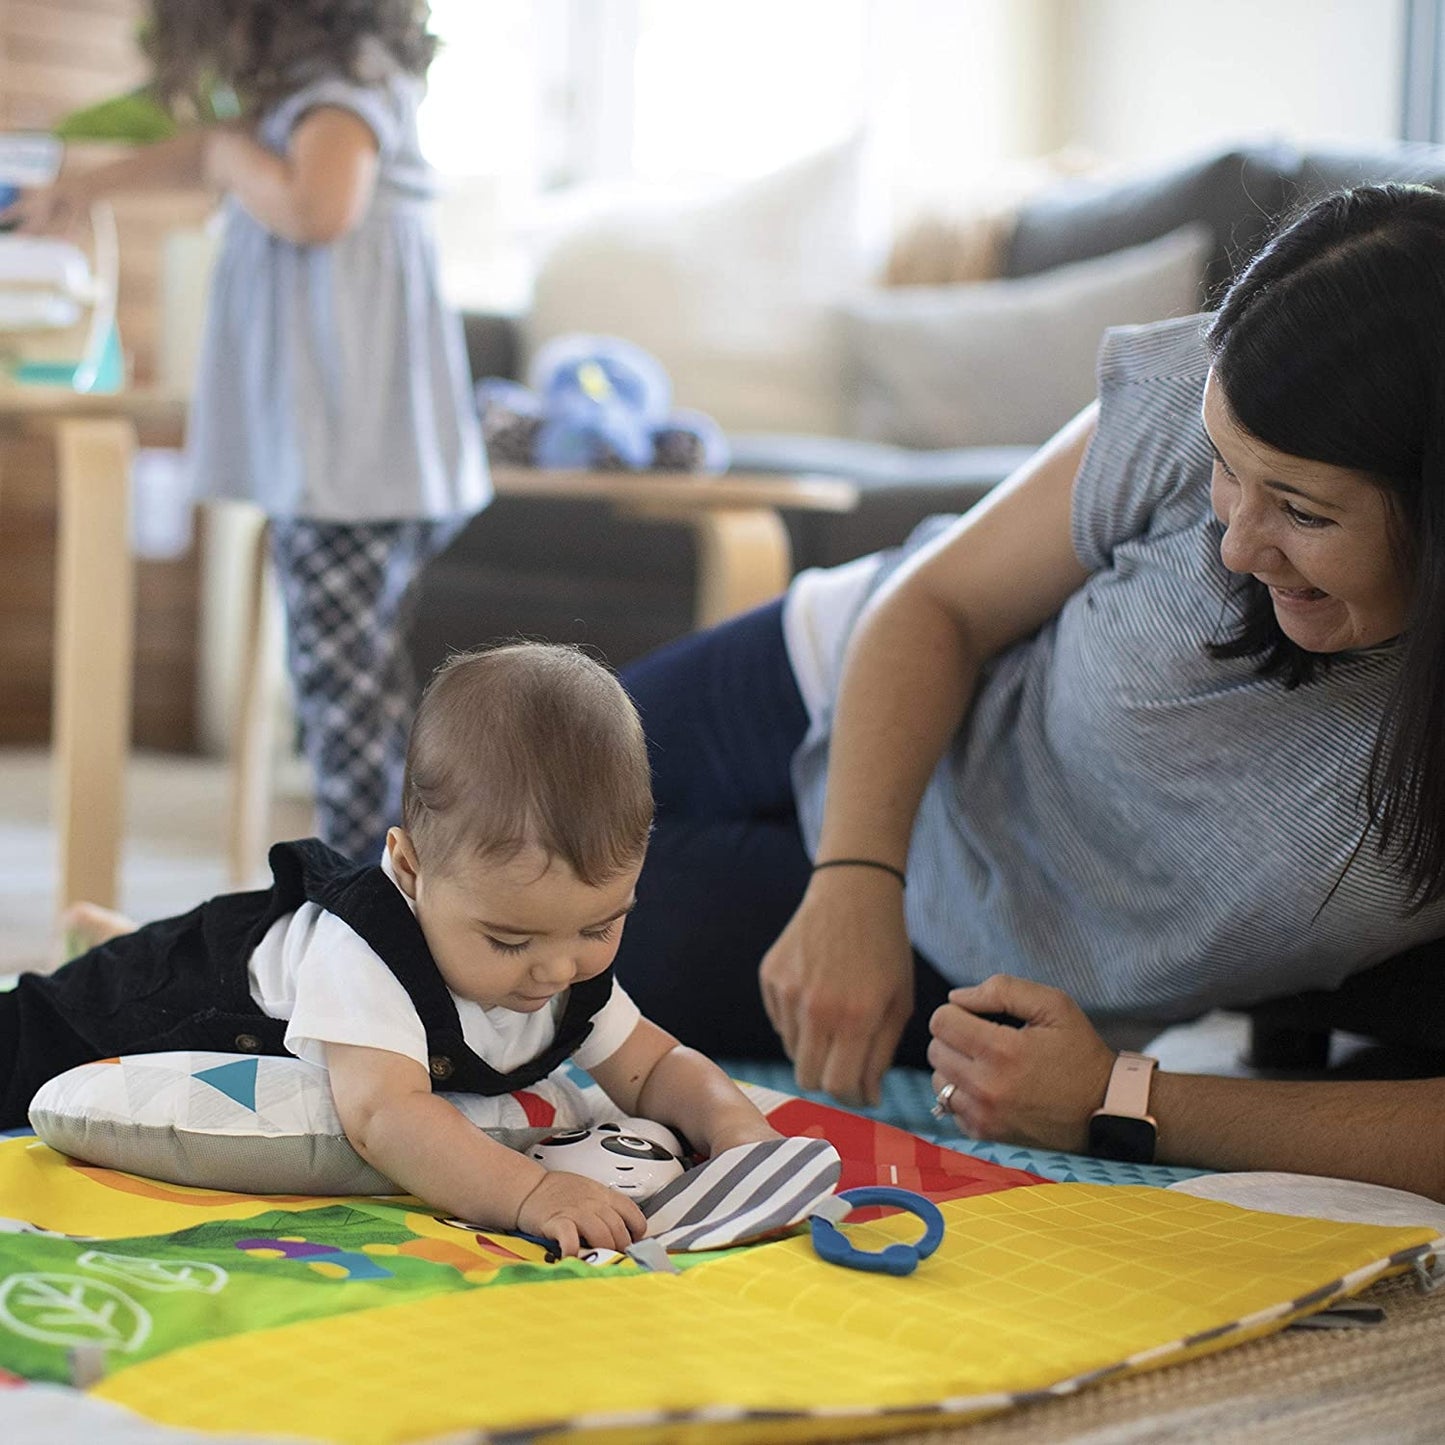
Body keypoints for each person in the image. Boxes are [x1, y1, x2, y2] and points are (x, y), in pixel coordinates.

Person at [612, 183, 1445, 1202]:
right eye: (1227, 471)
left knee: (520, 958)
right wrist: (855, 874)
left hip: (980, 955)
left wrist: (1124, 1095)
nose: (1232, 540)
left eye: (1301, 511)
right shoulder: (1216, 384)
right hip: (849, 686)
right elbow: (940, 607)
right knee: (473, 833)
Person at [1, 645, 781, 1256]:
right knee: (28, 1035)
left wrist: (738, 1130)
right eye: (509, 939)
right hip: (168, 996)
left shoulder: (564, 963)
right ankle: (111, 944)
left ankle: (112, 926)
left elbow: (655, 1065)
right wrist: (531, 1194)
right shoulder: (367, 951)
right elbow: (385, 1113)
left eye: (599, 926)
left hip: (260, 969)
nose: (557, 969)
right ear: (408, 868)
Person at [5, 0, 488, 864]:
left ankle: (370, 902)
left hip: (350, 464)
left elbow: (316, 209)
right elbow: (204, 155)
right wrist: (85, 190)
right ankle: (392, 888)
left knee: (343, 705)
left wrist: (230, 154)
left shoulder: (343, 95)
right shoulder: (316, 94)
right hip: (352, 459)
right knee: (355, 694)